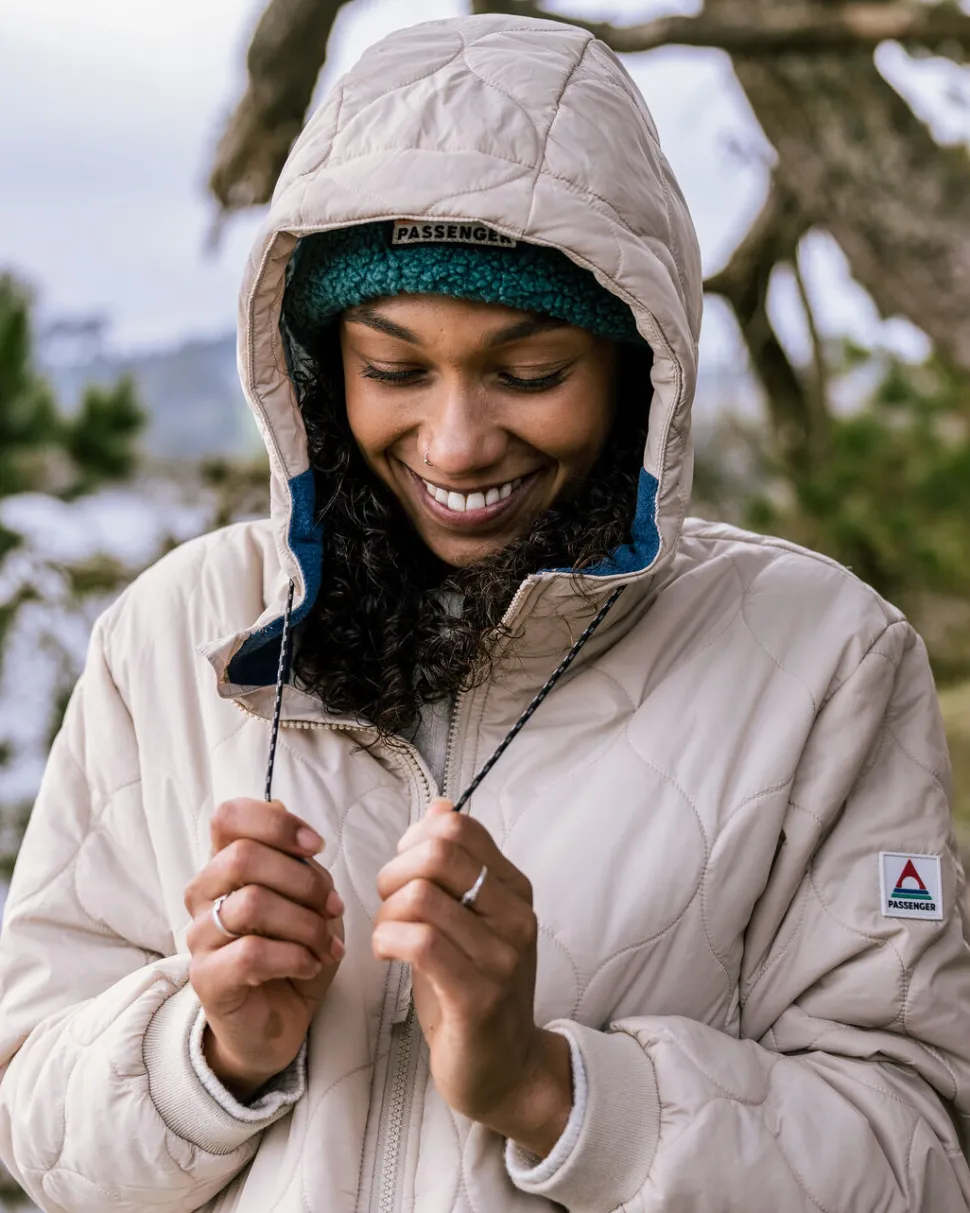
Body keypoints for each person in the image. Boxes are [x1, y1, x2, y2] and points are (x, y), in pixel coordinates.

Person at [1, 11, 968, 1212]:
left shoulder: (825, 660)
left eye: (529, 373)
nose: (456, 443)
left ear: (638, 367)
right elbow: (28, 1104)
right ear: (319, 367)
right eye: (394, 369)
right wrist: (207, 1054)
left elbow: (916, 1154)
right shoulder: (170, 631)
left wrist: (551, 1090)